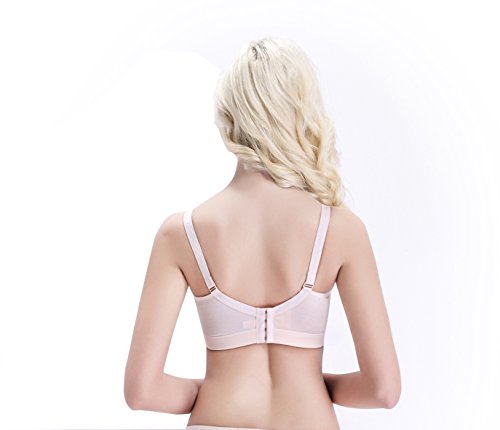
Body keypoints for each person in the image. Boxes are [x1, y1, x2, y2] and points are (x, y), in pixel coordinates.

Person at [123, 36, 401, 430]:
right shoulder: (341, 230)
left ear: (228, 117)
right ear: (302, 112)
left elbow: (142, 392)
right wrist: (311, 386)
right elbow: (383, 390)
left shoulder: (181, 234)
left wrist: (215, 390)